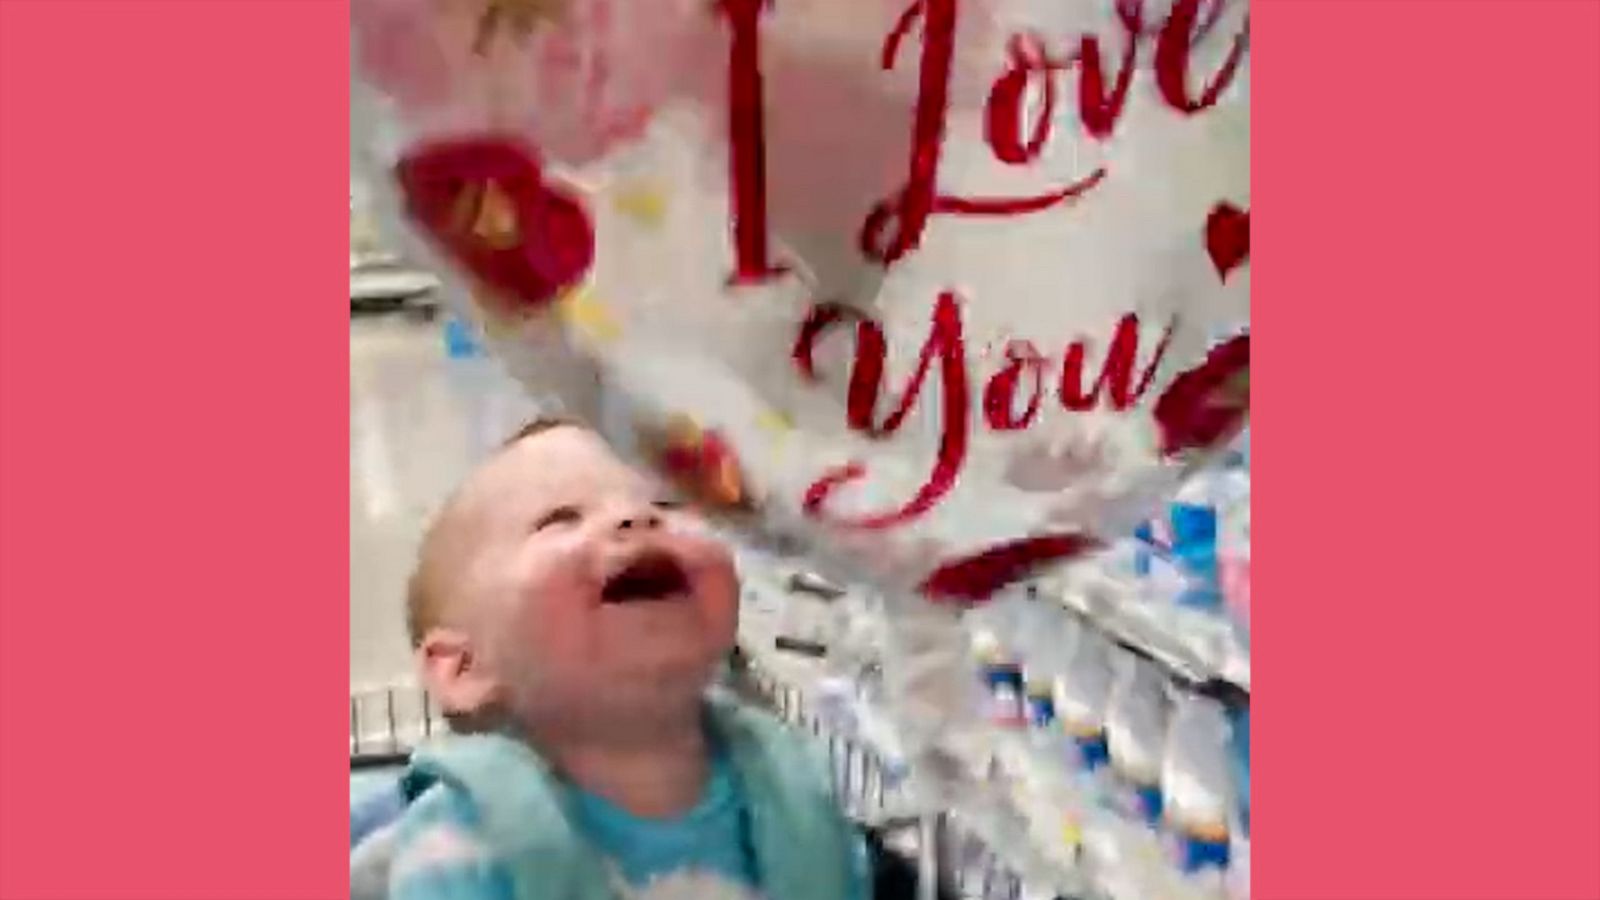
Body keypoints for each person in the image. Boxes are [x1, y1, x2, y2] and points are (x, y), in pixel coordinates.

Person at [351, 417, 871, 900]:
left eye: (668, 505)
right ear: (465, 667)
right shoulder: (461, 844)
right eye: (561, 519)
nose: (637, 517)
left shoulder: (802, 799)